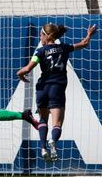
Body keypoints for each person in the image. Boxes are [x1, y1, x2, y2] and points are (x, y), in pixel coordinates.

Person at [17, 24, 97, 161]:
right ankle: (53, 140)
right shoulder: (64, 48)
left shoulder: (40, 52)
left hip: (42, 88)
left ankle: (43, 148)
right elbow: (84, 44)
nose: (40, 37)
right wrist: (89, 34)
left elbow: (28, 68)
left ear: (46, 36)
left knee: (42, 120)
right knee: (57, 124)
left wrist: (20, 73)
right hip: (57, 88)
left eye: (41, 35)